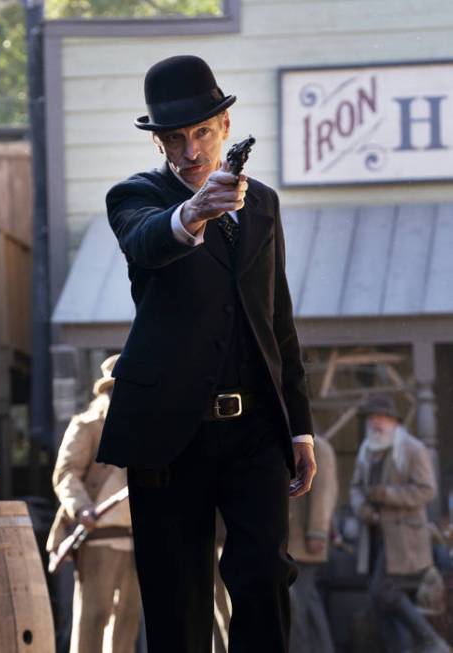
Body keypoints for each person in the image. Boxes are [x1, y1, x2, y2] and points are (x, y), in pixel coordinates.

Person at [96, 54, 317, 653]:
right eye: (173, 138)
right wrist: (194, 212)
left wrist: (300, 429)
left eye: (200, 133)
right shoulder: (133, 195)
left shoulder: (263, 203)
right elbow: (147, 244)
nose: (189, 151)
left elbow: (277, 317)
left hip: (255, 430)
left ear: (225, 125)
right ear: (158, 141)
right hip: (170, 431)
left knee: (266, 580)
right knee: (178, 603)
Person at [47, 354, 140, 653]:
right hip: (99, 534)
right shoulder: (87, 426)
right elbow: (66, 473)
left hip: (138, 539)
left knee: (128, 622)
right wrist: (82, 507)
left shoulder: (147, 428)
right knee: (93, 617)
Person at [349, 394, 450, 653]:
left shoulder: (413, 449)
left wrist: (389, 495)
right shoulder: (366, 451)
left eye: (381, 417)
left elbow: (427, 490)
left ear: (394, 421)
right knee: (382, 601)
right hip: (375, 537)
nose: (376, 423)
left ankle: (429, 639)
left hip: (406, 541)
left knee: (382, 592)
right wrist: (362, 509)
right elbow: (356, 488)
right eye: (372, 418)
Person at [288, 434, 338, 653]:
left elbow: (324, 493)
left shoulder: (320, 447)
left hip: (304, 544)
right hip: (295, 542)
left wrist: (317, 532)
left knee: (299, 605)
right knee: (307, 603)